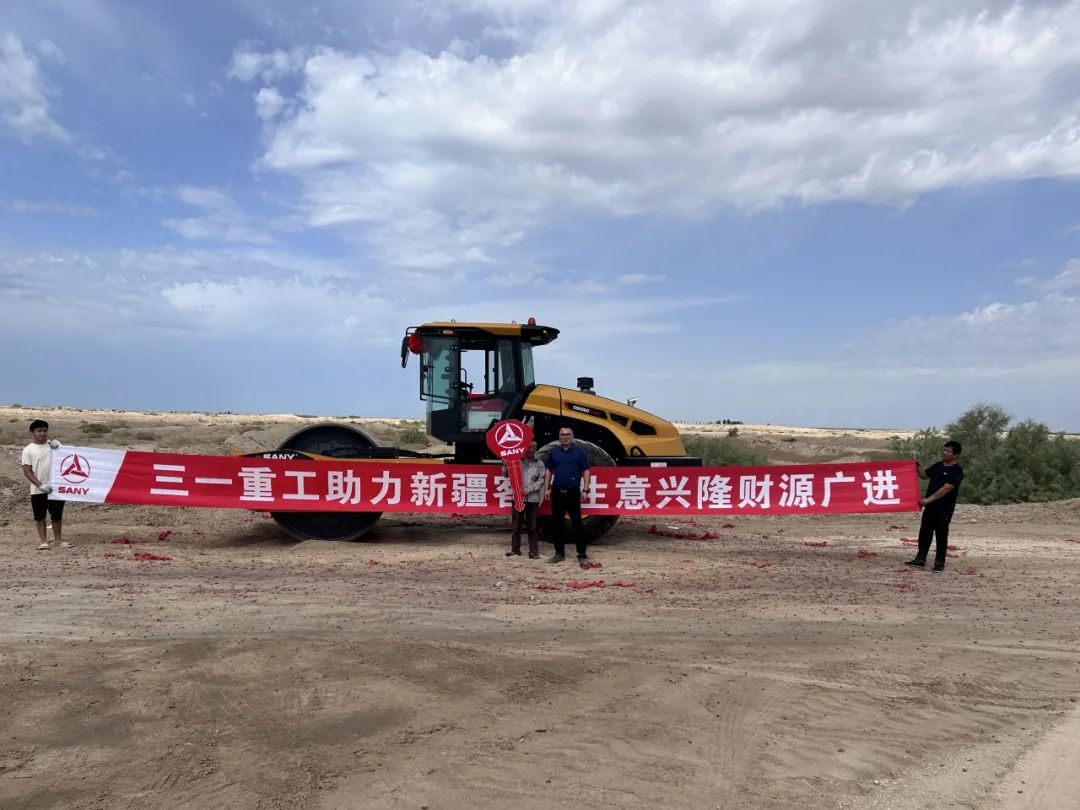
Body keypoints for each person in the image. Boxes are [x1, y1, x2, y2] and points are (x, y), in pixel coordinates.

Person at [906, 440, 964, 572]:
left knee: (941, 535)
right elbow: (924, 476)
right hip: (930, 508)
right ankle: (920, 559)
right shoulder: (938, 466)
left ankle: (939, 563)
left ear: (955, 455)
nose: (944, 453)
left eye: (948, 451)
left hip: (944, 509)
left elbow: (946, 488)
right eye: (944, 450)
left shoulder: (957, 471)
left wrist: (927, 500)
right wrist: (916, 466)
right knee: (925, 532)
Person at [544, 426, 592, 566]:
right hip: (557, 492)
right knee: (557, 524)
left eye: (568, 435)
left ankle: (582, 554)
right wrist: (547, 488)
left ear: (573, 436)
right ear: (559, 437)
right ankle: (559, 554)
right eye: (562, 435)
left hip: (573, 492)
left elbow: (586, 471)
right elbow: (549, 471)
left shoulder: (579, 452)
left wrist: (586, 489)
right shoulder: (554, 452)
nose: (565, 437)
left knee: (577, 523)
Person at [21, 419, 71, 550]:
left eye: (44, 430)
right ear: (33, 432)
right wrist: (40, 484)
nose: (42, 433)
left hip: (56, 488)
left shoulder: (54, 445)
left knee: (56, 515)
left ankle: (58, 540)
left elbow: (67, 458)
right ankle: (43, 542)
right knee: (40, 516)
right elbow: (27, 470)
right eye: (39, 431)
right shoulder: (28, 450)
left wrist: (60, 447)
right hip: (38, 490)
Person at [506, 441, 545, 559]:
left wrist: (529, 490)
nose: (530, 450)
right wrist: (504, 465)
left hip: (533, 499)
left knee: (532, 527)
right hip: (518, 498)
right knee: (516, 525)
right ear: (523, 449)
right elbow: (506, 475)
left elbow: (542, 480)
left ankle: (533, 552)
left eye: (533, 447)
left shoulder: (540, 464)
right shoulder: (516, 462)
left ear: (536, 449)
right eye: (528, 447)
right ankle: (515, 550)